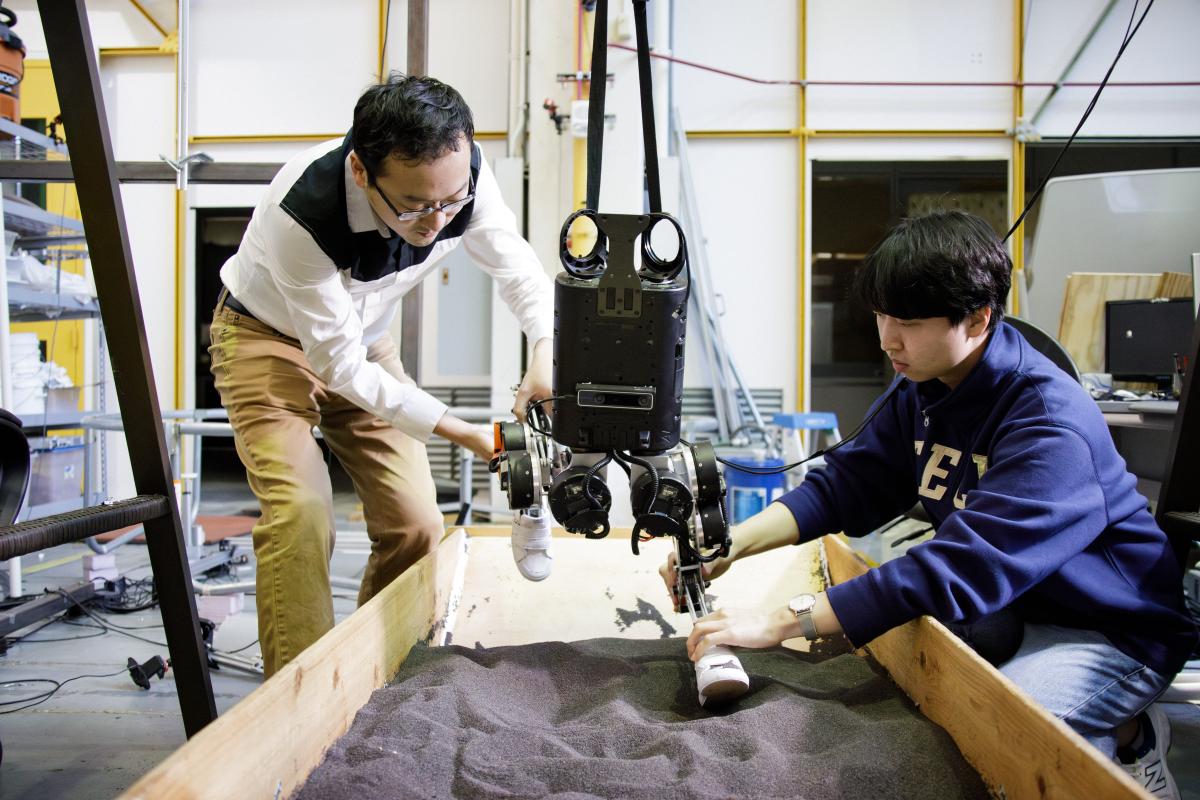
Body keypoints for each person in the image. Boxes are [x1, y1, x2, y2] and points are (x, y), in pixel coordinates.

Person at [661, 210, 1198, 798]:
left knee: (1015, 727)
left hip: (1108, 627)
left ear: (978, 317)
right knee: (935, 661)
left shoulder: (1047, 423)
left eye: (910, 322)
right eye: (882, 316)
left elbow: (957, 567)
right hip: (1018, 602)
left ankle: (1126, 741)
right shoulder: (925, 383)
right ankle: (1122, 730)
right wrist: (732, 543)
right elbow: (848, 483)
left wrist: (776, 621)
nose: (889, 338)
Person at [210, 74, 555, 677]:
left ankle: (377, 677)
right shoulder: (304, 212)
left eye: (450, 203)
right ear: (363, 173)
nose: (437, 220)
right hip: (267, 340)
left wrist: (546, 350)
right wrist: (462, 431)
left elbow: (518, 269)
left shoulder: (461, 174)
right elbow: (335, 364)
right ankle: (304, 703)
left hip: (367, 343)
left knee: (417, 522)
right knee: (301, 512)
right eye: (418, 206)